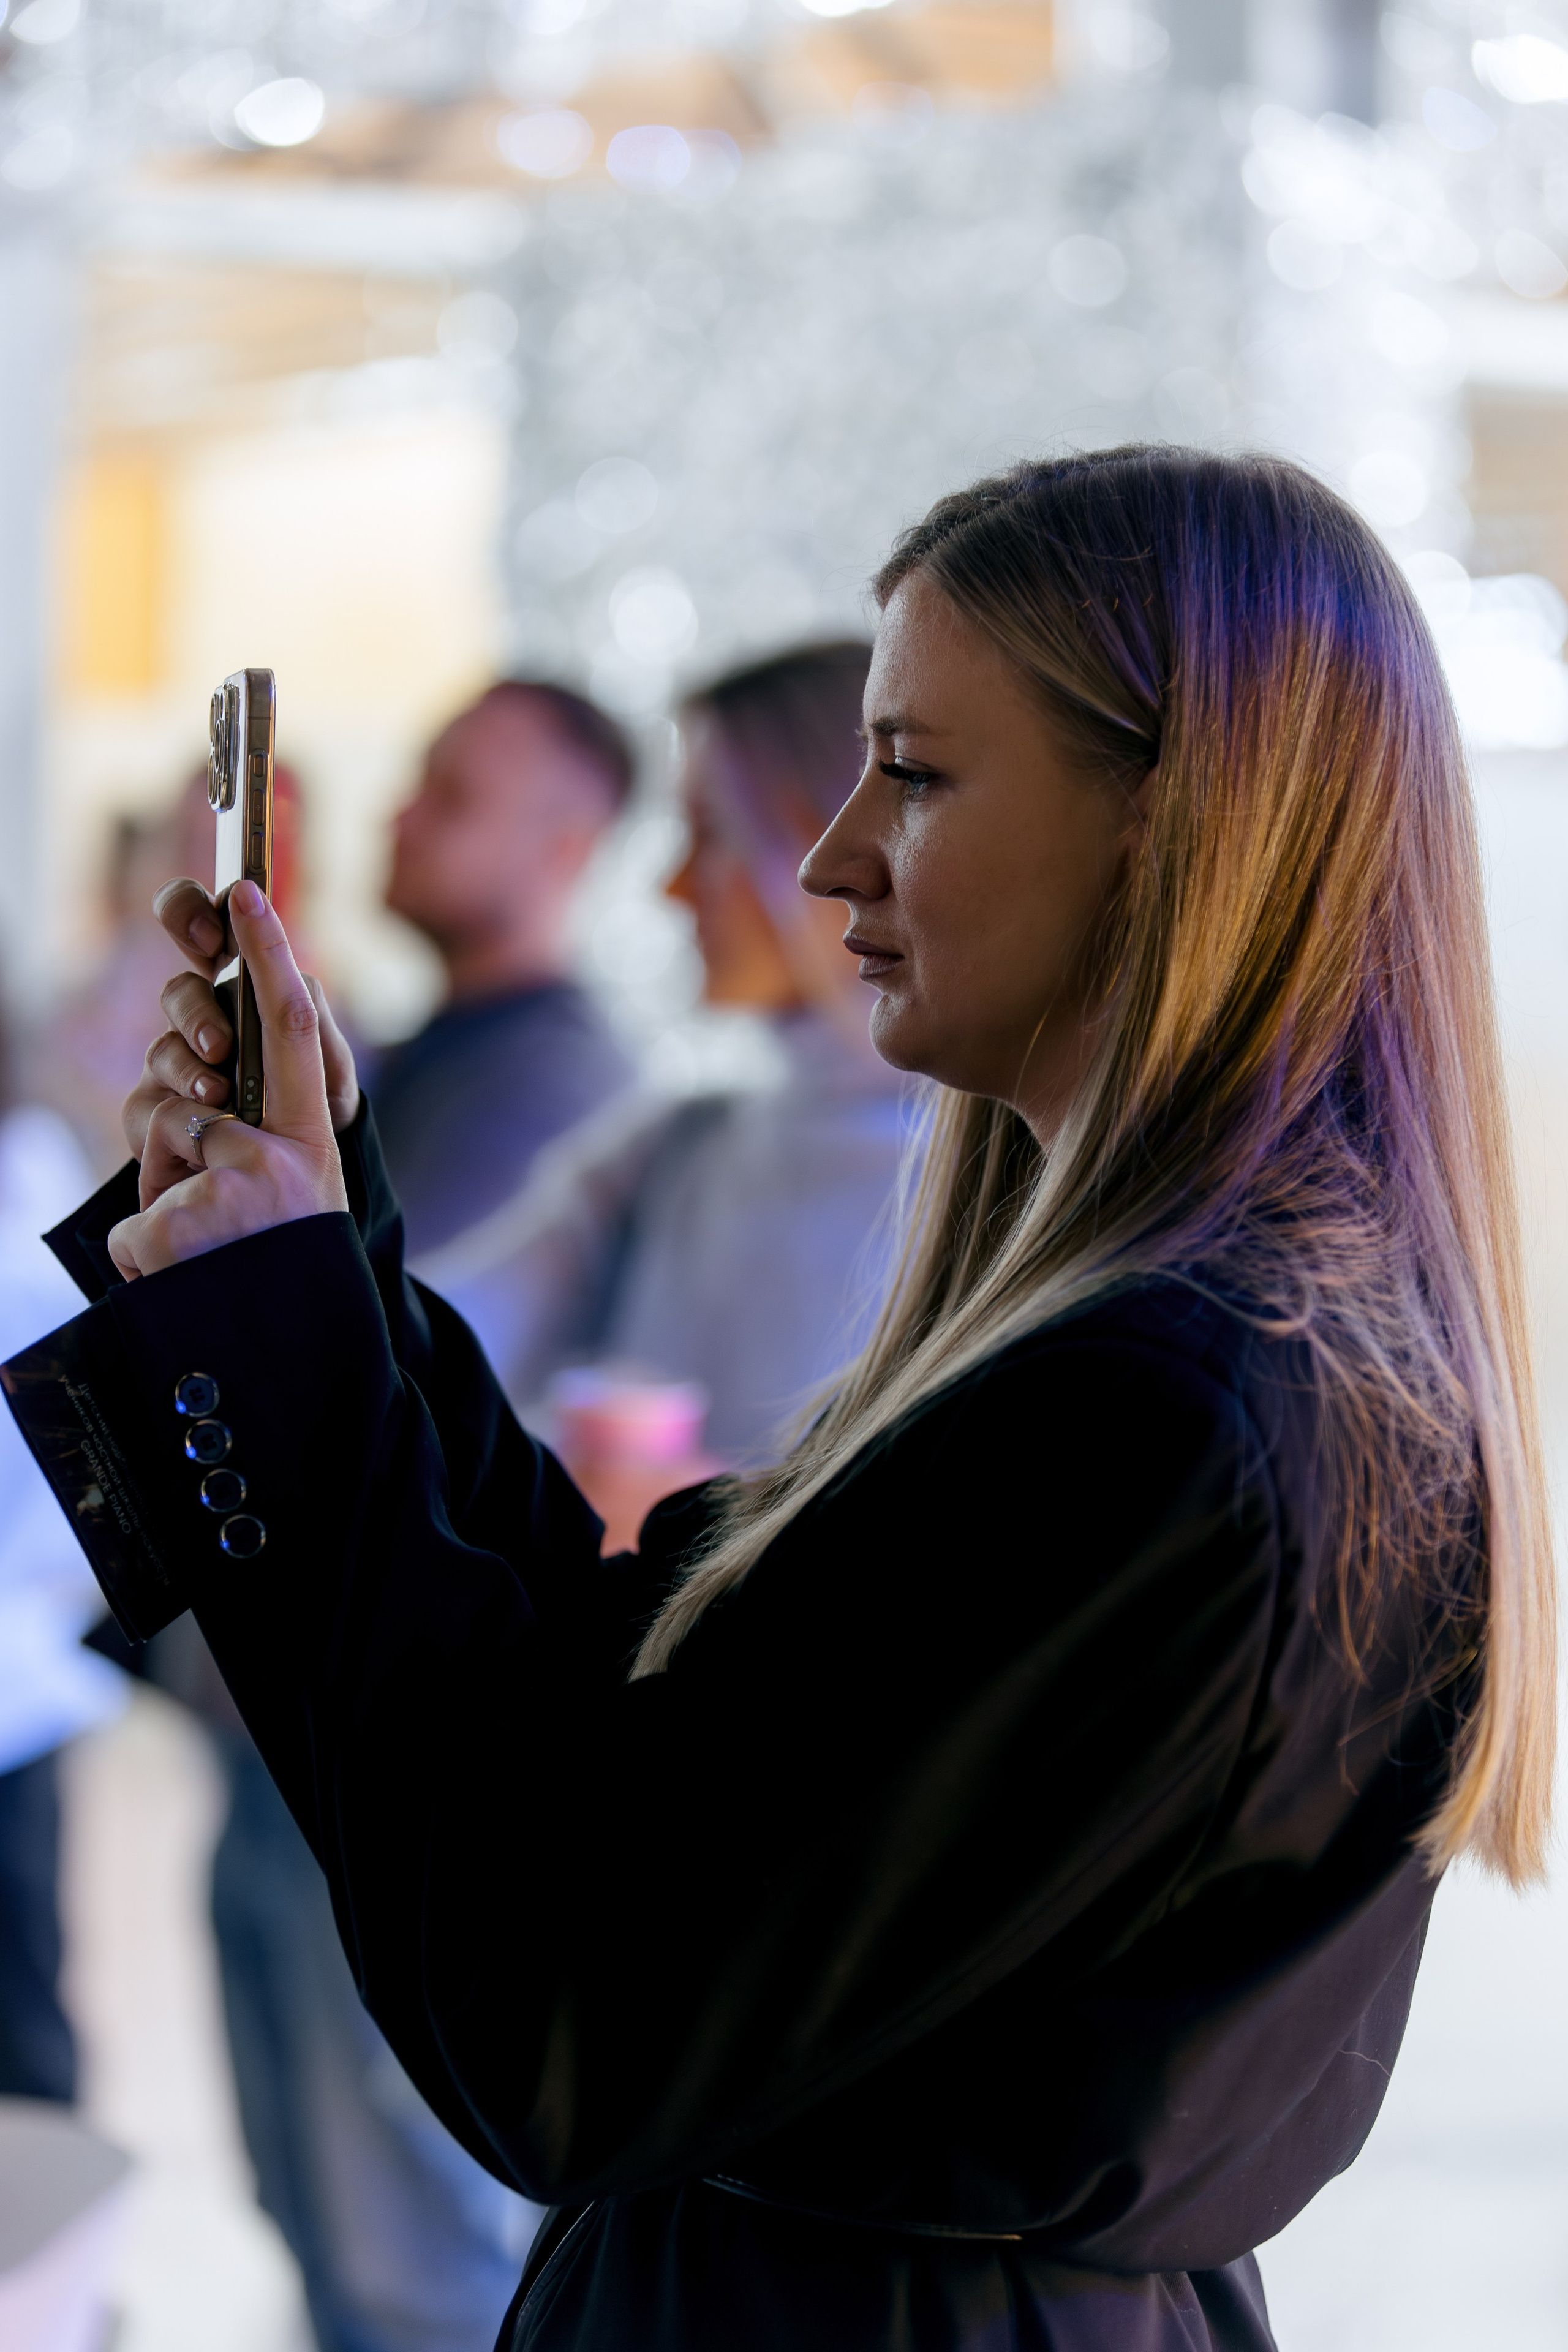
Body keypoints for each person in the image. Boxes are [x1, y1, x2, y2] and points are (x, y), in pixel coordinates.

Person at [9, 447, 1558, 2352]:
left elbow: (571, 2015)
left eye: (911, 772)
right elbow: (624, 1689)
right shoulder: (1170, 1355)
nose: (829, 858)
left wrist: (290, 1324)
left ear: (1168, 821)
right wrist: (306, 1247)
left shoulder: (1161, 1413)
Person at [420, 644, 908, 1501]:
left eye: (710, 835)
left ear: (846, 846)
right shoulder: (679, 1144)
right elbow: (425, 1337)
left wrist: (688, 1515)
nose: (672, 889)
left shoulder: (995, 1193)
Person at [371, 682, 636, 1257]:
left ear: (564, 850)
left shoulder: (560, 1096)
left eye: (451, 798)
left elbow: (380, 1315)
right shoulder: (437, 1048)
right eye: (418, 784)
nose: (400, 820)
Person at [0, 1093, 125, 2101]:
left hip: (12, 1685)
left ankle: (53, 2262)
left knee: (20, 2039)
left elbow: (77, 1447)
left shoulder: (27, 1168)